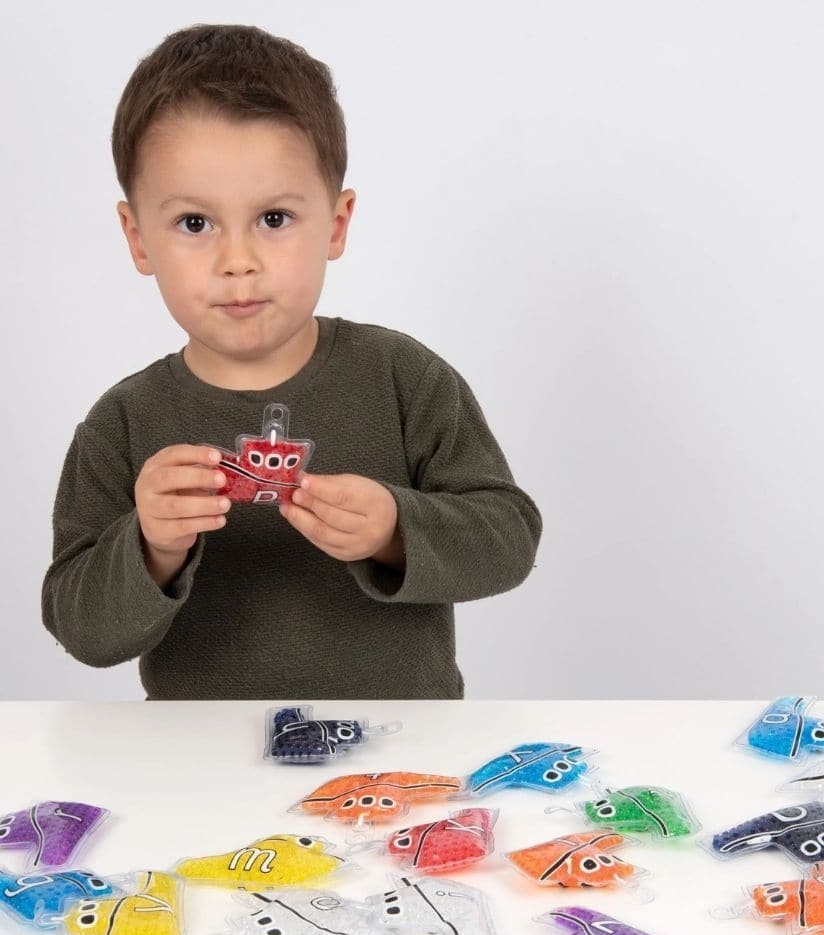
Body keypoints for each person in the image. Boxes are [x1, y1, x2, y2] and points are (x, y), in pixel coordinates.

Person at [41, 24, 542, 699]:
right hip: (197, 766)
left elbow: (508, 540)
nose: (238, 261)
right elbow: (81, 630)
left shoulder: (405, 379)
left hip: (399, 757)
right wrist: (151, 548)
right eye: (196, 223)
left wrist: (396, 530)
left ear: (335, 224)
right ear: (138, 239)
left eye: (274, 218)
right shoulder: (122, 423)